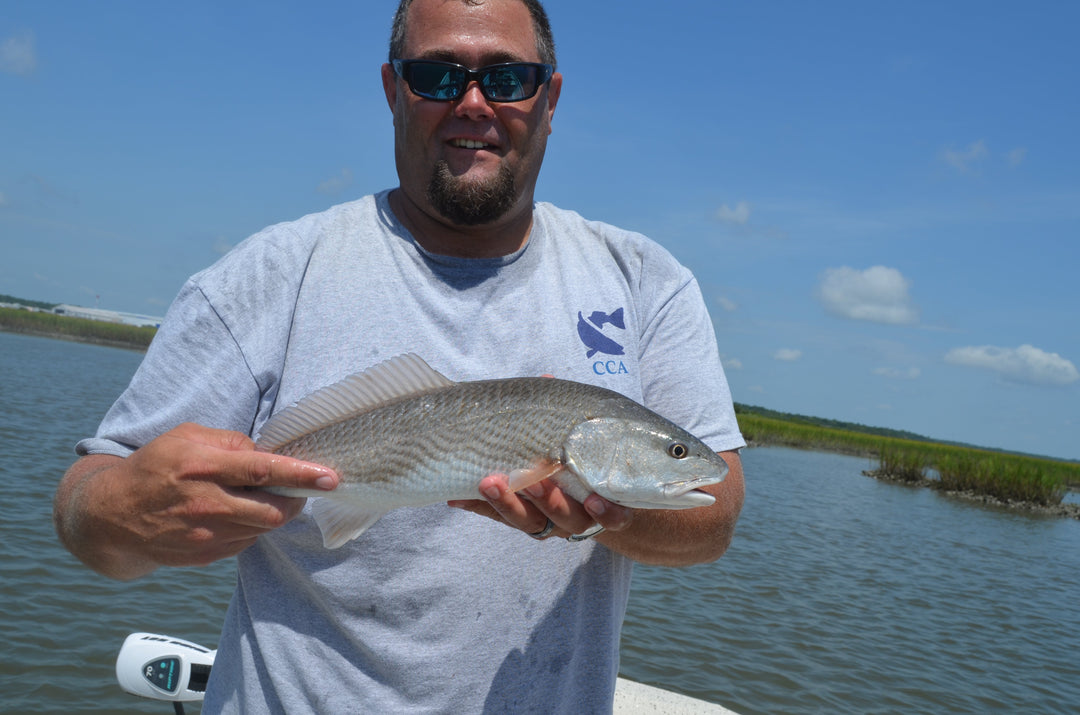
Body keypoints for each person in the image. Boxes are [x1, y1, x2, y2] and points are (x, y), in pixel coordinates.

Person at [54, 0, 746, 712]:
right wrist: (125, 508)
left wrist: (606, 511)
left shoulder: (645, 280)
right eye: (437, 76)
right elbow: (88, 512)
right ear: (392, 90)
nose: (473, 104)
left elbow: (714, 513)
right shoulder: (269, 275)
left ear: (551, 97)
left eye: (509, 79)